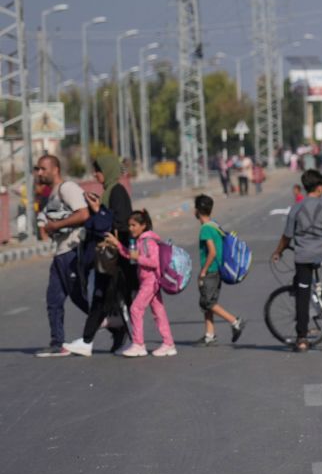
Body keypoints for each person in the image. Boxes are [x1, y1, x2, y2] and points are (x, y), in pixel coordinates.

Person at [66, 153, 134, 356]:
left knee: (105, 298)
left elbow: (120, 222)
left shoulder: (117, 192)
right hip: (109, 256)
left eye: (99, 171)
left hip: (116, 257)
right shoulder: (110, 192)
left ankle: (88, 341)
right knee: (108, 300)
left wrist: (99, 211)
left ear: (108, 171)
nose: (96, 175)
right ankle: (121, 336)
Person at [272, 168, 322, 353]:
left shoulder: (296, 209)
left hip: (303, 257)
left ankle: (302, 338)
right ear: (319, 188)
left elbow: (287, 237)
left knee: (302, 297)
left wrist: (278, 252)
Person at [34, 155, 91, 357]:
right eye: (37, 169)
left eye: (43, 169)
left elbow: (84, 214)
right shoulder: (51, 195)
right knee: (53, 300)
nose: (39, 173)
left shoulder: (68, 188)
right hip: (60, 253)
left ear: (55, 169)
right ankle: (57, 342)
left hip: (72, 251)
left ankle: (114, 322)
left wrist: (56, 225)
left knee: (80, 298)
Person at [106, 209, 176, 357]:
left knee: (135, 309)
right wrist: (117, 244)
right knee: (159, 312)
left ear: (143, 225)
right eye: (129, 225)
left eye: (134, 225)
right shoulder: (139, 241)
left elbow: (154, 262)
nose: (130, 228)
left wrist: (138, 258)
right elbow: (130, 255)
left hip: (151, 281)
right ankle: (168, 343)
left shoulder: (148, 241)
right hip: (148, 281)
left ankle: (138, 344)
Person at [192, 194, 246, 346]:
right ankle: (209, 335)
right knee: (207, 302)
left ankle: (235, 321)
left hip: (210, 271)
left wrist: (203, 271)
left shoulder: (205, 229)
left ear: (197, 210)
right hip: (217, 271)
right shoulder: (214, 225)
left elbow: (212, 252)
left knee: (208, 303)